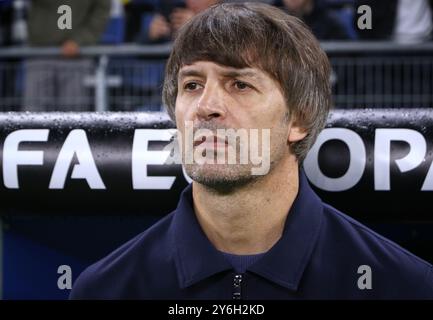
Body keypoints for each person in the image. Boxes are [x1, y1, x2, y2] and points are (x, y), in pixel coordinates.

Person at [70, 2, 433, 299]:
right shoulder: (103, 290)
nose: (205, 106)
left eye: (240, 84)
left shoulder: (403, 286)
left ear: (300, 119)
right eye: (192, 84)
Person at [24, 0, 110, 111]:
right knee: (33, 114)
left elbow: (100, 13)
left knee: (72, 115)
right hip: (39, 53)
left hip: (76, 57)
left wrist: (79, 41)